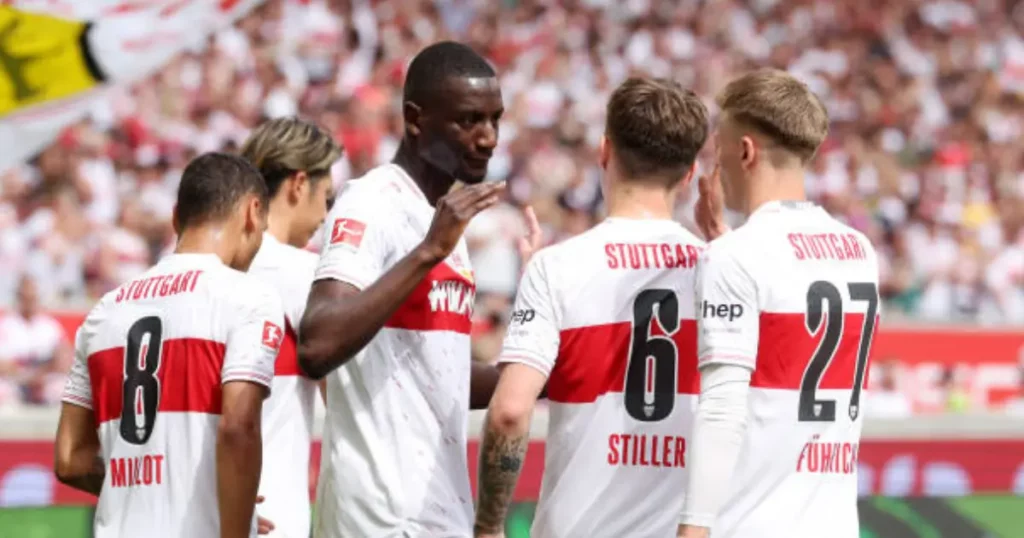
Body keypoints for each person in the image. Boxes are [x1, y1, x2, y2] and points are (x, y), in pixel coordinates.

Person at [298, 41, 539, 538]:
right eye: (470, 120)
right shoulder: (372, 201)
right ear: (415, 119)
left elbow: (438, 374)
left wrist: (539, 369)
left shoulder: (443, 223)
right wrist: (427, 252)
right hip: (381, 516)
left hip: (438, 510)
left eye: (495, 119)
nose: (489, 137)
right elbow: (317, 342)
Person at [473, 77, 710, 538]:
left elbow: (509, 411)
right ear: (689, 174)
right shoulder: (720, 271)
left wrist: (488, 526)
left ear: (604, 151)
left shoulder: (557, 268)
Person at [677, 69, 881, 538]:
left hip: (752, 524)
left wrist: (693, 527)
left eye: (718, 147)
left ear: (744, 150)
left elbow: (723, 408)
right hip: (833, 523)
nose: (717, 161)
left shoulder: (736, 257)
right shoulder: (859, 251)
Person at [54, 153, 285, 538]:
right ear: (252, 212)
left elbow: (69, 459)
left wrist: (168, 495)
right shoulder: (249, 298)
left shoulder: (103, 312)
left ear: (176, 217)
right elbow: (238, 428)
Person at [241, 117, 342, 538]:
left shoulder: (213, 265)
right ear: (299, 184)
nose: (325, 215)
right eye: (327, 198)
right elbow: (349, 395)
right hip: (272, 515)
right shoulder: (302, 271)